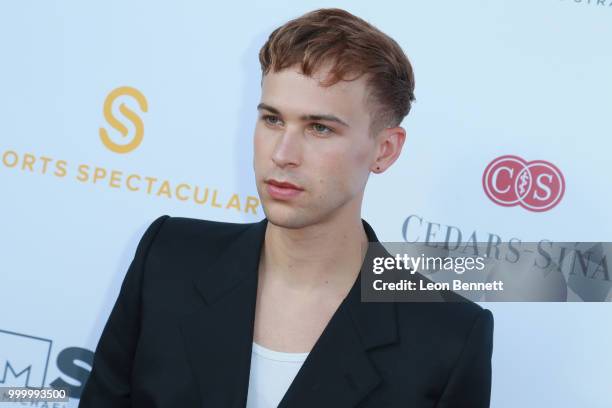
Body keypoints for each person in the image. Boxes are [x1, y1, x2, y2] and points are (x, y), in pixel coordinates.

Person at [79, 8, 493, 408]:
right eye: (273, 120)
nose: (283, 154)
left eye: (319, 128)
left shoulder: (447, 336)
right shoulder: (168, 259)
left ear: (384, 150)